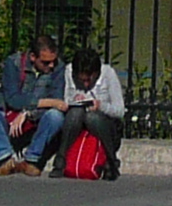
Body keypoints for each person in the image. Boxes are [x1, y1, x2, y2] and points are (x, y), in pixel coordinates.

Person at [0, 35, 70, 176]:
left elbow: (58, 102)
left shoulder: (58, 67)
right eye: (45, 62)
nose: (51, 66)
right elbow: (13, 99)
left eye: (52, 62)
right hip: (9, 118)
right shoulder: (13, 63)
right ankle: (6, 158)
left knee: (55, 116)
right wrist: (44, 102)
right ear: (32, 57)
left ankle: (31, 159)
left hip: (36, 120)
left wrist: (27, 112)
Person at [49, 48, 127, 178]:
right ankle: (60, 160)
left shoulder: (108, 73)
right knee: (76, 113)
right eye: (81, 81)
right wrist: (75, 100)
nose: (85, 84)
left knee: (92, 118)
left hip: (103, 123)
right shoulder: (68, 72)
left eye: (89, 80)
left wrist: (101, 106)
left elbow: (119, 110)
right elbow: (65, 99)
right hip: (76, 121)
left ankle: (111, 160)